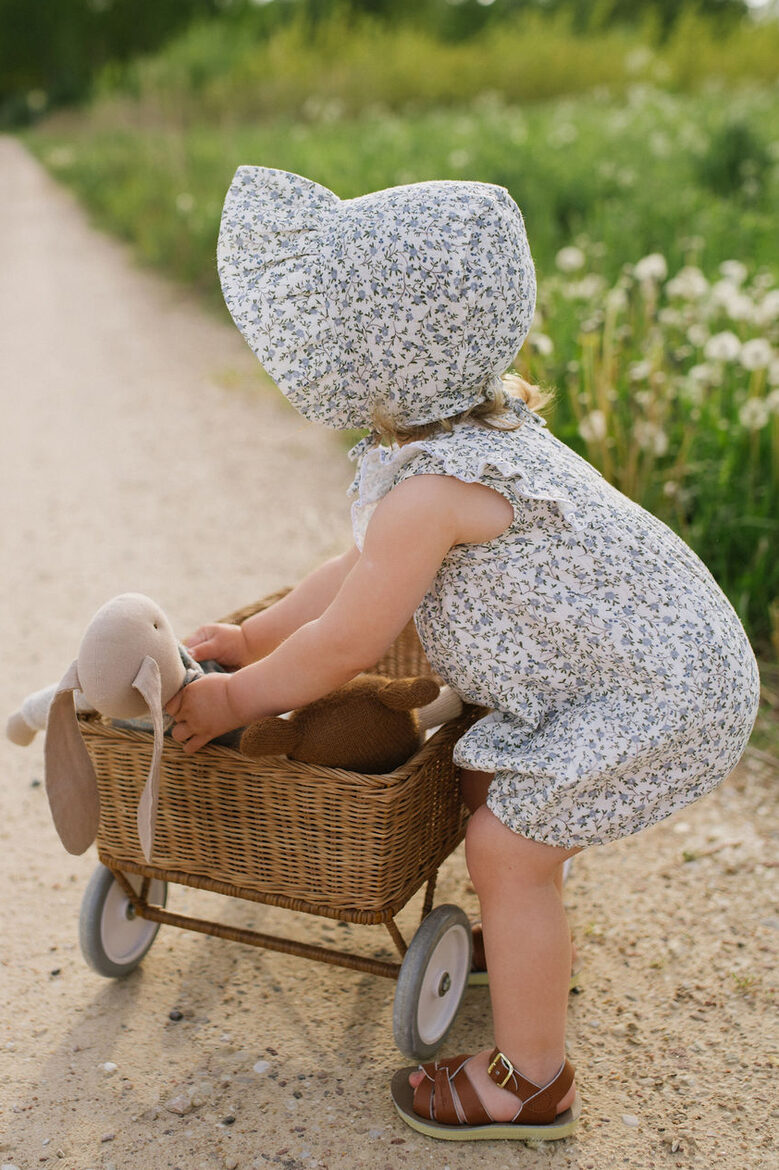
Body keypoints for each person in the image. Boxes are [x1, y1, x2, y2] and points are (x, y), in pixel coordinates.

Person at [165, 167, 760, 1142]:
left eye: (338, 337)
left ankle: (531, 1083)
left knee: (505, 845)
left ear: (385, 352)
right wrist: (252, 637)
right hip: (628, 669)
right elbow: (353, 571)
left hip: (661, 691)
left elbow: (346, 642)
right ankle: (524, 935)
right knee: (492, 791)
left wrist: (235, 700)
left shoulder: (433, 491)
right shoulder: (466, 434)